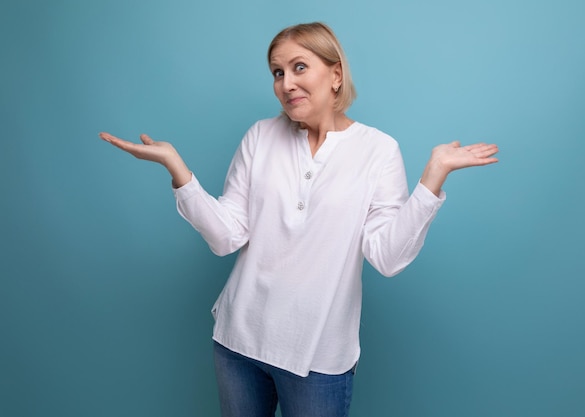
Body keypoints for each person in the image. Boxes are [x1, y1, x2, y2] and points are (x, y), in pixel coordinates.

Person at [99, 22, 498, 417]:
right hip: (238, 343)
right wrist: (177, 169)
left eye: (299, 67)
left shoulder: (378, 150)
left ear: (336, 75)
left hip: (318, 358)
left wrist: (432, 179)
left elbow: (387, 257)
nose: (286, 83)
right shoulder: (259, 136)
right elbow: (226, 237)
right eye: (278, 72)